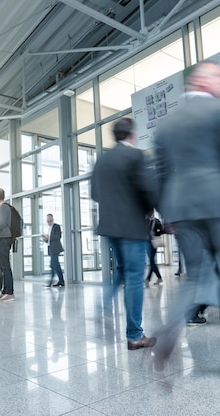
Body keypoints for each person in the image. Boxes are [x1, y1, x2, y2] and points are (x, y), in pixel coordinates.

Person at [153, 60, 220, 380]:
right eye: (219, 78)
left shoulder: (166, 122)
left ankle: (170, 332)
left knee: (196, 276)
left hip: (182, 209)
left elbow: (160, 173)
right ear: (200, 82)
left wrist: (167, 213)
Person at [91, 117, 157, 351]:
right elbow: (148, 189)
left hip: (110, 227)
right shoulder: (136, 156)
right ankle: (135, 335)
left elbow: (94, 193)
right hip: (131, 228)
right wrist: (149, 208)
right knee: (133, 279)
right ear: (131, 134)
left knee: (121, 272)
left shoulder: (102, 160)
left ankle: (103, 306)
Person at [43, 213, 65, 287]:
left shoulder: (56, 226)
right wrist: (45, 239)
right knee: (56, 265)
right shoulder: (49, 228)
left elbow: (58, 236)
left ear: (52, 219)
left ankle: (51, 282)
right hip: (51, 248)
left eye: (50, 220)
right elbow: (49, 239)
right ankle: (61, 281)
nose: (49, 222)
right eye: (47, 221)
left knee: (53, 265)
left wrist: (49, 237)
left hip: (56, 249)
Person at [145, 213, 163, 285]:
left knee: (152, 260)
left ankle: (148, 279)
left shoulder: (157, 221)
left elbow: (161, 231)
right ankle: (159, 278)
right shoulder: (146, 221)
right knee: (151, 261)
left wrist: (155, 233)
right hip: (147, 242)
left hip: (155, 241)